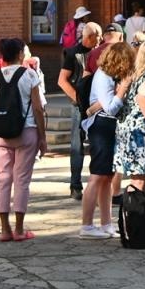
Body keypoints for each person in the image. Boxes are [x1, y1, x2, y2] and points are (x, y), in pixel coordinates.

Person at [0, 37, 46, 241]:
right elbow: (38, 107)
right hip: (26, 130)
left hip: (0, 133)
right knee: (21, 180)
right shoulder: (29, 75)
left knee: (3, 179)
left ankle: (4, 229)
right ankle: (19, 229)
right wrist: (42, 136)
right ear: (20, 54)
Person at [80, 40, 134, 237]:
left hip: (108, 126)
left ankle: (106, 223)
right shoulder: (103, 76)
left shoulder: (111, 76)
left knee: (107, 176)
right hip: (101, 127)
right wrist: (122, 89)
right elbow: (110, 106)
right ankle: (86, 225)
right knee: (97, 175)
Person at [58, 21, 100, 201]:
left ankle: (96, 184)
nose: (98, 42)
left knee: (97, 145)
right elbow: (62, 80)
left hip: (96, 103)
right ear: (89, 37)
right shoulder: (73, 53)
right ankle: (75, 185)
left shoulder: (99, 52)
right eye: (96, 39)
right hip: (78, 106)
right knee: (77, 146)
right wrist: (77, 99)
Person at [116, 37, 145, 197]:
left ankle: (133, 213)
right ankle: (134, 214)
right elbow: (141, 100)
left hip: (125, 128)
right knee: (139, 180)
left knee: (137, 177)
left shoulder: (133, 74)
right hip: (140, 131)